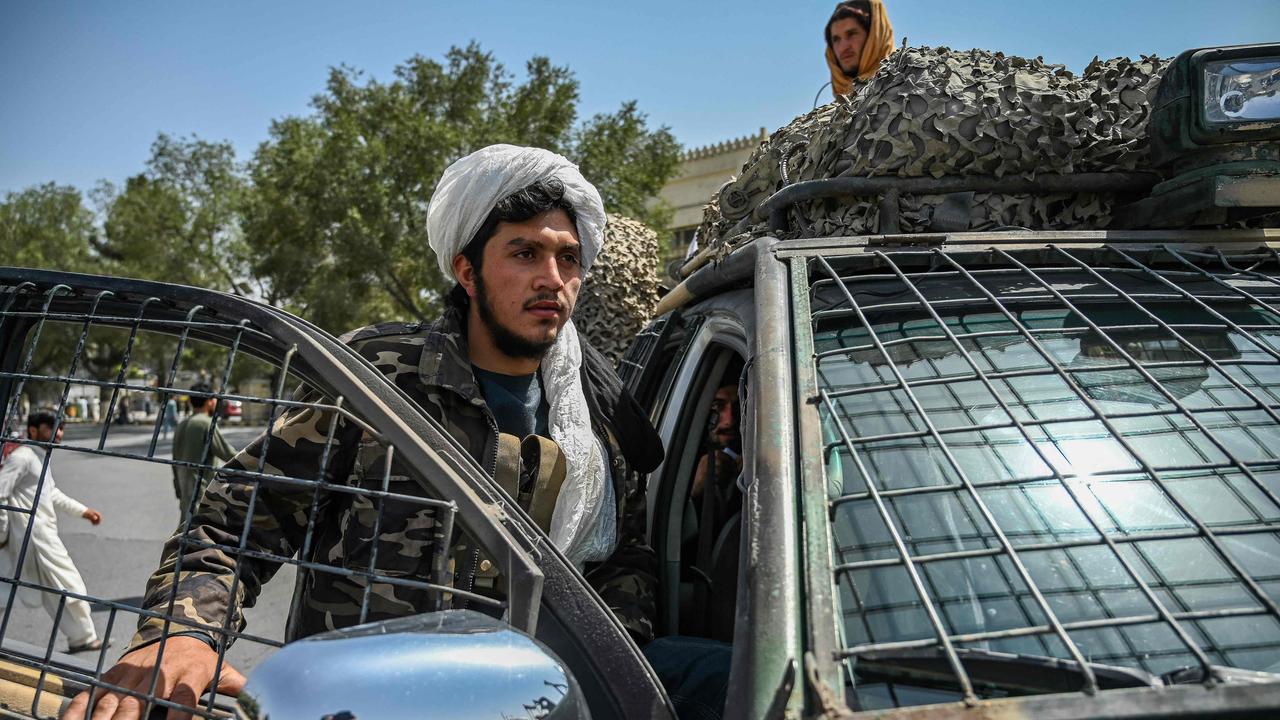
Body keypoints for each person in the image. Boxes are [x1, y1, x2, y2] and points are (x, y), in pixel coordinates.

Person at [66, 144, 664, 718]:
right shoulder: (377, 379)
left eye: (569, 257)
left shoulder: (596, 417)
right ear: (467, 270)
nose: (553, 278)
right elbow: (237, 520)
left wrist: (603, 677)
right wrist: (184, 633)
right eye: (525, 253)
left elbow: (622, 561)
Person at [0, 410, 105, 654]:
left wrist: (83, 511)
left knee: (51, 588)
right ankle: (84, 637)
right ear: (34, 431)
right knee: (67, 584)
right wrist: (2, 534)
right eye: (52, 428)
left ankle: (83, 637)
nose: (59, 434)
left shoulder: (38, 457)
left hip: (34, 535)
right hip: (32, 535)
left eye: (61, 429)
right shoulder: (23, 457)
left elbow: (51, 493)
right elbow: (1, 493)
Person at [170, 384, 237, 519]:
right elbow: (228, 454)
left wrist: (177, 487)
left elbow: (174, 460)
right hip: (201, 490)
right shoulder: (206, 423)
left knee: (185, 529)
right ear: (209, 401)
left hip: (184, 489)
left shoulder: (182, 424)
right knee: (200, 532)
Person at [824, 0, 895, 98]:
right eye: (836, 39)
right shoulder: (838, 110)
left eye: (852, 34)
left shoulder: (908, 86)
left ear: (873, 38)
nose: (843, 47)